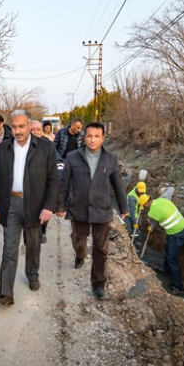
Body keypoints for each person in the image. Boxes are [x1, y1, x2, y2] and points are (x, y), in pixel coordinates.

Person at [0, 110, 59, 307]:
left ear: (29, 126)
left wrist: (48, 207)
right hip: (11, 204)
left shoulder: (45, 147)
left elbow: (54, 180)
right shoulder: (4, 148)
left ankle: (32, 275)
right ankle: (6, 294)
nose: (18, 131)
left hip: (35, 205)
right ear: (10, 127)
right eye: (14, 127)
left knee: (33, 245)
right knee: (9, 250)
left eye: (22, 126)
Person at [56, 122, 128, 300]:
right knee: (78, 239)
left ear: (103, 138)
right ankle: (80, 255)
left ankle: (98, 284)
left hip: (102, 209)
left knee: (101, 248)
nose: (93, 139)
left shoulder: (111, 158)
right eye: (89, 136)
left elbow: (118, 184)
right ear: (84, 137)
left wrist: (124, 207)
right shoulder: (73, 157)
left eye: (97, 136)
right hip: (78, 207)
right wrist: (60, 205)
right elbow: (64, 183)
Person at [139, 194, 184, 295]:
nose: (145, 208)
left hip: (176, 234)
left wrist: (151, 228)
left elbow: (153, 225)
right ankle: (166, 270)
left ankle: (177, 286)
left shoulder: (152, 212)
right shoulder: (162, 200)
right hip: (182, 227)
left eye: (144, 206)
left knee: (172, 259)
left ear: (147, 203)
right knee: (168, 250)